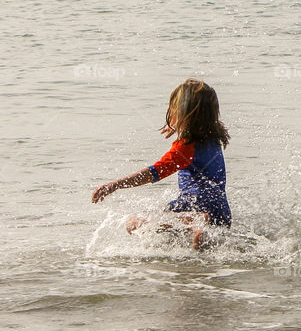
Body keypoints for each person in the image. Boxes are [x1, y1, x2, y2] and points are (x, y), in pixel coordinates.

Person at [92, 78, 231, 250]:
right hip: (222, 212)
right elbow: (204, 119)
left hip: (194, 205)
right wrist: (177, 125)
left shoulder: (186, 148)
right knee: (200, 260)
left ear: (183, 114)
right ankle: (195, 231)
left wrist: (116, 185)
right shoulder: (215, 136)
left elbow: (154, 172)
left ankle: (193, 220)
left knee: (133, 223)